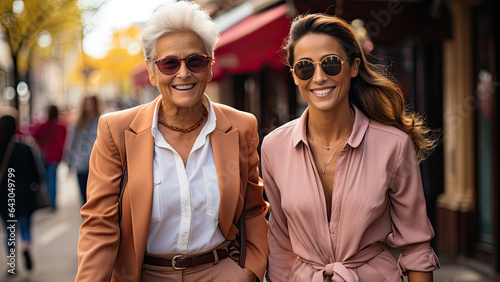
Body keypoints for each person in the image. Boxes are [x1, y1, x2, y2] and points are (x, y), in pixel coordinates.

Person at [76, 2, 268, 282]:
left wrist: (250, 271)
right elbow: (100, 228)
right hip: (146, 274)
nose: (183, 73)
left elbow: (253, 209)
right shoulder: (116, 130)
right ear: (152, 72)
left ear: (210, 67)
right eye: (169, 63)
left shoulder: (242, 126)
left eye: (195, 61)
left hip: (222, 271)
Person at [262, 14, 440, 282]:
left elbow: (416, 246)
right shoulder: (273, 147)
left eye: (331, 63)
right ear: (295, 77)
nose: (319, 77)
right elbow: (280, 242)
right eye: (305, 67)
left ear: (354, 66)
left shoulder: (393, 145)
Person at [0, 108, 43, 273]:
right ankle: (26, 246)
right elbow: (36, 173)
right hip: (25, 194)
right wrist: (36, 189)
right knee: (25, 226)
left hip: (5, 196)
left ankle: (11, 264)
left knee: (9, 230)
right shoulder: (24, 147)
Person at [66, 95, 101, 205]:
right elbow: (71, 142)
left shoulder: (101, 120)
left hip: (97, 165)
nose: (89, 106)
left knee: (96, 197)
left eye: (91, 103)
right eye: (87, 104)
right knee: (84, 198)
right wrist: (69, 162)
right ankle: (87, 220)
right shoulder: (78, 123)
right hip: (81, 165)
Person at [32, 104, 66, 209]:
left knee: (47, 180)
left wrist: (41, 145)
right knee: (53, 180)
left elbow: (34, 135)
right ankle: (53, 202)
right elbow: (63, 141)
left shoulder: (43, 125)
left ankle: (50, 201)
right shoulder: (61, 126)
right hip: (55, 156)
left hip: (45, 155)